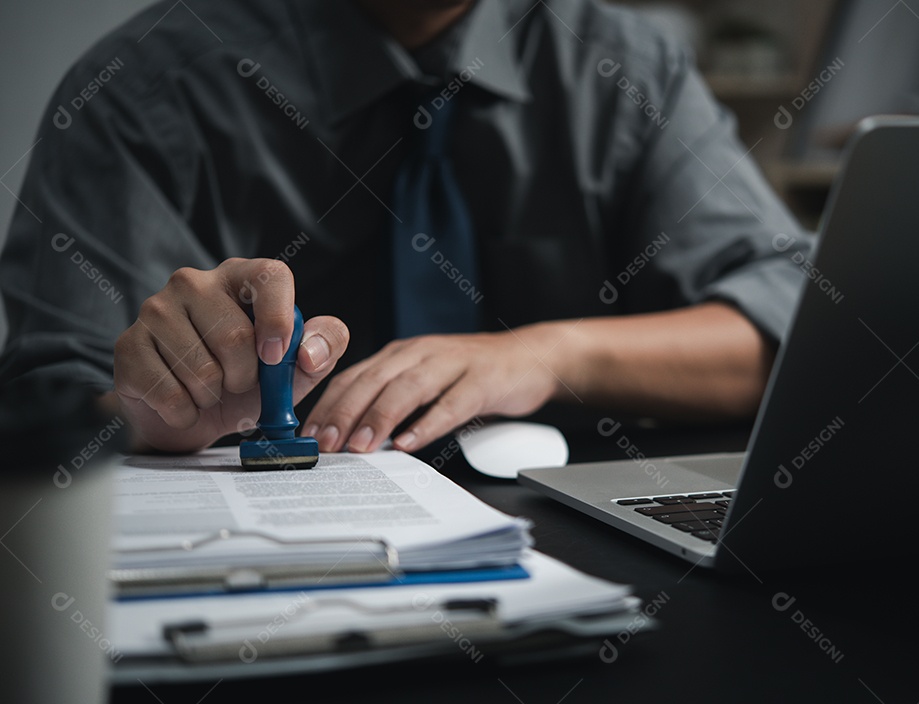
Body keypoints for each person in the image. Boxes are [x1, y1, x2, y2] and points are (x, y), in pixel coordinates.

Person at [0, 0, 811, 455]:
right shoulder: (143, 91)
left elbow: (797, 324)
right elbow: (51, 408)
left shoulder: (626, 63)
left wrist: (549, 354)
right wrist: (155, 411)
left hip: (576, 558)